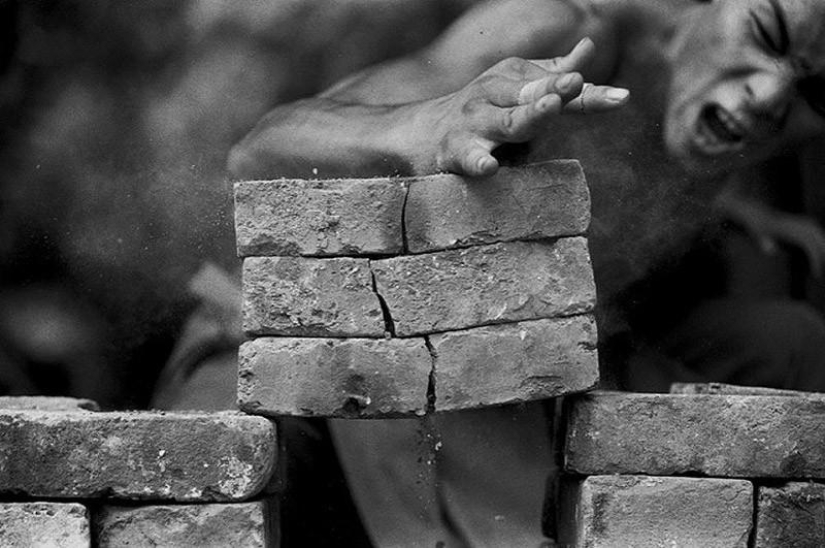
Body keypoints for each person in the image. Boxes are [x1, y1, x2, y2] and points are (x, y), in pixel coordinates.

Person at [221, 0, 825, 545]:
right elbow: (258, 151)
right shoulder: (569, 30)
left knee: (793, 343)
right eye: (768, 31)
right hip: (360, 342)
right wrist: (429, 121)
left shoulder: (719, 115)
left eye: (817, 94)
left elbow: (618, 178)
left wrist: (734, 215)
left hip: (564, 347)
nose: (771, 96)